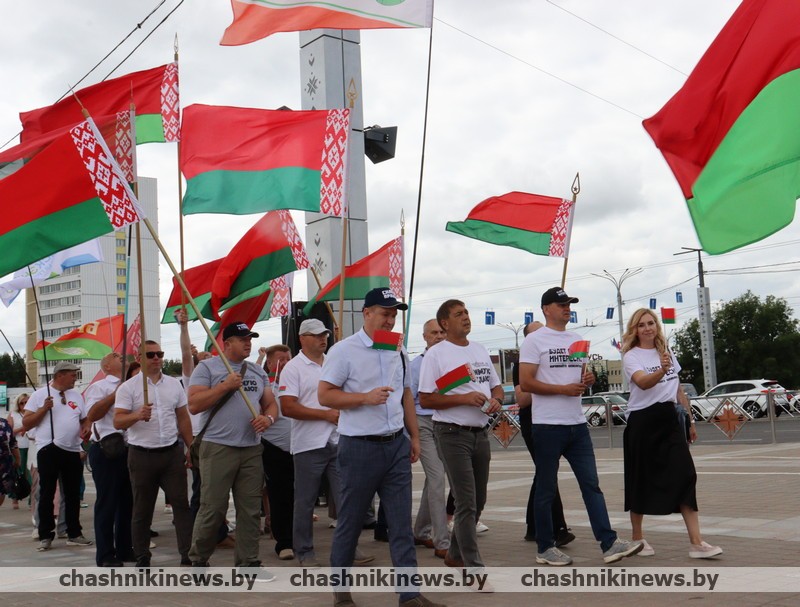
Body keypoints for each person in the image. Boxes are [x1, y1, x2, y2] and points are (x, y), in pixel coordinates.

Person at [319, 287, 443, 607]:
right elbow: (325, 395)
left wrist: (413, 437)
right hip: (359, 448)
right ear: (367, 313)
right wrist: (364, 397)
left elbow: (405, 397)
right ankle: (342, 593)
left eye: (394, 314)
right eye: (384, 313)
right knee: (351, 521)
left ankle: (409, 594)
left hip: (395, 445)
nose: (390, 320)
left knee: (401, 525)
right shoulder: (344, 351)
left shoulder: (398, 350)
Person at [519, 286, 642, 566]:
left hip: (577, 424)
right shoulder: (534, 341)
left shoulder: (576, 339)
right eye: (562, 304)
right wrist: (562, 389)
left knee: (591, 485)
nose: (567, 307)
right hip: (547, 425)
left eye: (569, 303)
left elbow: (578, 374)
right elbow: (526, 383)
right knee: (546, 489)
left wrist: (586, 379)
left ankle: (609, 543)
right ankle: (545, 547)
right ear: (546, 309)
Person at [621, 308, 722, 559]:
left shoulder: (666, 353)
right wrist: (661, 370)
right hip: (643, 422)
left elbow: (678, 390)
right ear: (635, 330)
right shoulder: (631, 356)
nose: (648, 328)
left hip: (668, 421)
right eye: (642, 325)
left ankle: (697, 543)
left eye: (651, 323)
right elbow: (643, 382)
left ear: (657, 326)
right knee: (640, 479)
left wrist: (690, 421)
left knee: (686, 475)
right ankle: (638, 538)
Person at [280, 318, 373, 568]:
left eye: (325, 334)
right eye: (316, 335)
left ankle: (348, 547)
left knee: (346, 498)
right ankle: (304, 551)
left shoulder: (334, 362)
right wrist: (326, 414)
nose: (323, 338)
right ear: (302, 338)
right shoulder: (292, 368)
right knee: (305, 500)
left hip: (338, 440)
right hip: (308, 444)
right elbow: (287, 407)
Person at [418, 299, 503, 574]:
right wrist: (464, 398)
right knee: (465, 501)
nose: (465, 317)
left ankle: (454, 553)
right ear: (445, 323)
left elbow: (497, 387)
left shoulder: (479, 349)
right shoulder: (436, 354)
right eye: (458, 314)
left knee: (479, 501)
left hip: (480, 433)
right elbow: (426, 399)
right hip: (452, 433)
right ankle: (473, 567)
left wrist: (497, 401)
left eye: (466, 312)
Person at [188, 321, 276, 578]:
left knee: (249, 508)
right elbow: (193, 404)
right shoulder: (207, 368)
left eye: (250, 337)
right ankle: (199, 560)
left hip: (251, 448)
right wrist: (224, 386)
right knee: (213, 507)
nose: (248, 342)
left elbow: (271, 404)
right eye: (242, 338)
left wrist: (268, 419)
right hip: (218, 447)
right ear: (226, 344)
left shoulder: (258, 372)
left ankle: (248, 562)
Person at [114, 340, 194, 568]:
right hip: (142, 454)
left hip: (170, 453)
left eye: (159, 353)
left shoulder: (173, 385)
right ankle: (142, 556)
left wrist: (191, 447)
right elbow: (118, 420)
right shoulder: (128, 387)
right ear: (139, 358)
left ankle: (188, 554)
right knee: (142, 508)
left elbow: (183, 417)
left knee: (181, 504)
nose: (156, 358)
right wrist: (137, 416)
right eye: (151, 355)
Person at [513, 321, 574, 547]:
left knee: (543, 473)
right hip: (534, 422)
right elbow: (522, 398)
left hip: (556, 419)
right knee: (547, 474)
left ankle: (533, 526)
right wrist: (543, 384)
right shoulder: (523, 363)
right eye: (537, 332)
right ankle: (557, 528)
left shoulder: (556, 357)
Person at [23, 361, 93, 551]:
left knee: (72, 493)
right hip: (49, 448)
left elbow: (84, 418)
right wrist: (43, 409)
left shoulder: (76, 395)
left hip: (72, 449)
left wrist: (87, 426)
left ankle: (74, 532)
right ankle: (45, 534)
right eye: (72, 374)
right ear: (60, 375)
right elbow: (27, 423)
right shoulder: (39, 395)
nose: (75, 378)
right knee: (46, 493)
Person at [85, 352, 133, 566]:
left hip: (130, 449)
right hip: (107, 451)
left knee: (127, 503)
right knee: (107, 503)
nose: (123, 357)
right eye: (116, 356)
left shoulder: (134, 384)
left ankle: (125, 548)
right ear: (106, 366)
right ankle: (105, 554)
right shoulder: (99, 387)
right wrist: (116, 394)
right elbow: (93, 414)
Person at [410, 319, 450, 559]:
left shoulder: (450, 363)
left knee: (433, 480)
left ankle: (421, 531)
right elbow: (410, 401)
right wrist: (411, 434)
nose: (439, 336)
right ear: (425, 337)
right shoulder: (417, 365)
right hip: (423, 423)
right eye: (434, 333)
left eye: (442, 332)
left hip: (446, 424)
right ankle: (442, 540)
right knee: (437, 478)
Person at [260, 344, 295, 560]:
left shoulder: (299, 381)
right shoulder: (266, 387)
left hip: (301, 447)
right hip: (274, 448)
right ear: (270, 363)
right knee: (280, 495)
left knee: (301, 497)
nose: (286, 363)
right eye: (281, 359)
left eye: (289, 359)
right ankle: (284, 542)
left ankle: (300, 536)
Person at [8, 393, 30, 510]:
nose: (24, 405)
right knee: (17, 473)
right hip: (18, 447)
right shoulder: (13, 415)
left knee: (30, 473)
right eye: (22, 403)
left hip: (30, 445)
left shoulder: (32, 413)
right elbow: (9, 432)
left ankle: (32, 498)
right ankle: (14, 497)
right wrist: (23, 428)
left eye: (26, 402)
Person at [0, 414, 21, 507]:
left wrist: (17, 459)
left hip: (4, 464)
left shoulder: (4, 423)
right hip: (4, 463)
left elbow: (12, 443)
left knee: (1, 491)